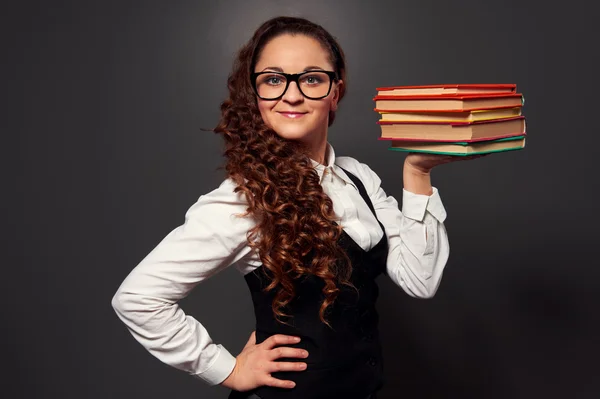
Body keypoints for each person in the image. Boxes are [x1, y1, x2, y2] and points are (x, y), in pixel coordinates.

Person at [111, 16, 478, 399]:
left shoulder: (357, 177)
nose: (291, 95)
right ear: (255, 95)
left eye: (312, 79)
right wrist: (227, 369)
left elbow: (420, 281)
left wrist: (416, 172)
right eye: (273, 80)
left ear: (336, 91)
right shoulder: (243, 199)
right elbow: (137, 298)